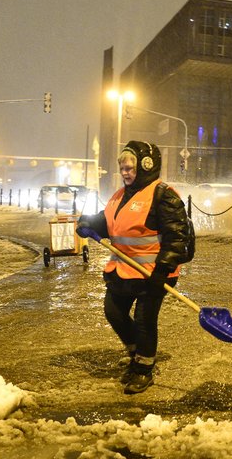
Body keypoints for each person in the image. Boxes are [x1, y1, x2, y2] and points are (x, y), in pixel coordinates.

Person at [76, 140, 193, 395]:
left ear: (146, 166)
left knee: (144, 320)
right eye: (123, 168)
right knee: (114, 312)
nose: (125, 173)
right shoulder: (120, 195)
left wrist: (162, 270)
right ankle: (136, 353)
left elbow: (176, 236)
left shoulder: (163, 195)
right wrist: (89, 224)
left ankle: (143, 370)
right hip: (123, 270)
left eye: (130, 167)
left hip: (153, 274)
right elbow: (109, 222)